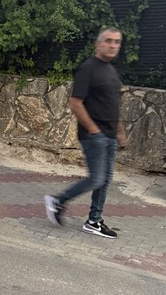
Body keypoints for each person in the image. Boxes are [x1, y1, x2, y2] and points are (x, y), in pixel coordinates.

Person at [44, 27, 127, 238]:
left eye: (117, 42)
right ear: (98, 44)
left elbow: (112, 105)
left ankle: (94, 221)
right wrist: (94, 130)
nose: (113, 45)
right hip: (94, 136)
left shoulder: (111, 71)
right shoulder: (88, 69)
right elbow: (76, 103)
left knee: (104, 180)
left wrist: (119, 131)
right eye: (108, 41)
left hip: (109, 136)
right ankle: (57, 201)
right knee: (97, 179)